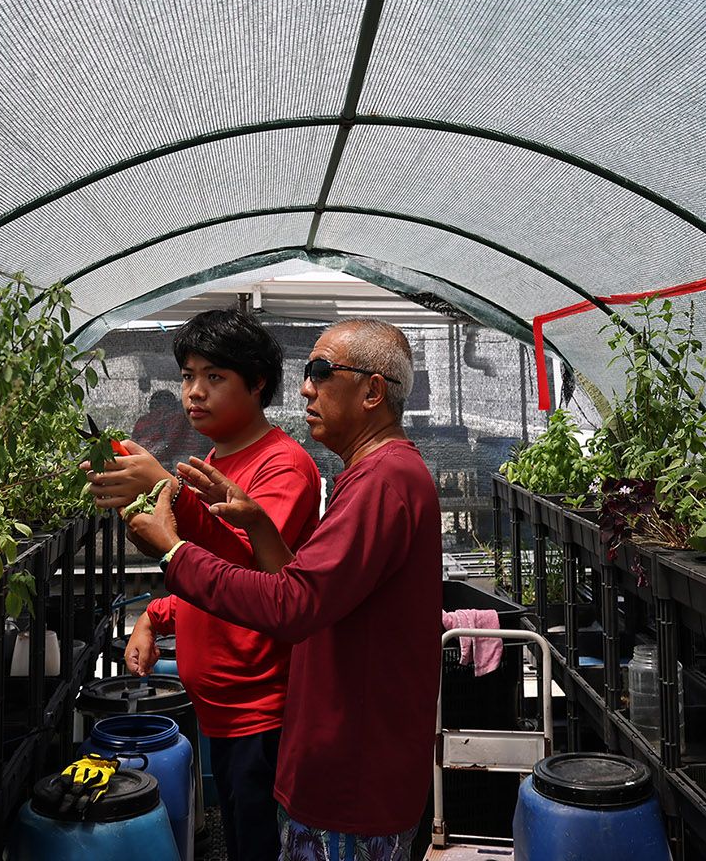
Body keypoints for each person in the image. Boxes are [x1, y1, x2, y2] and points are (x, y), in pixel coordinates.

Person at [115, 319, 442, 860]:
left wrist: (173, 552)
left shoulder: (383, 481)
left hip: (348, 779)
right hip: (330, 764)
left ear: (372, 391)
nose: (306, 387)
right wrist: (260, 527)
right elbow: (308, 586)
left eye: (320, 371)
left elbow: (291, 605)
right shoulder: (368, 476)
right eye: (188, 376)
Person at [85, 309, 321, 861]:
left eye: (214, 377)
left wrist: (170, 491)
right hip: (221, 705)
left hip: (263, 706)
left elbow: (254, 579)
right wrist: (155, 616)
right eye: (188, 375)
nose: (194, 392)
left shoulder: (282, 467)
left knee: (260, 844)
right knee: (238, 835)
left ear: (257, 382)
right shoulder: (215, 459)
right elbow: (203, 570)